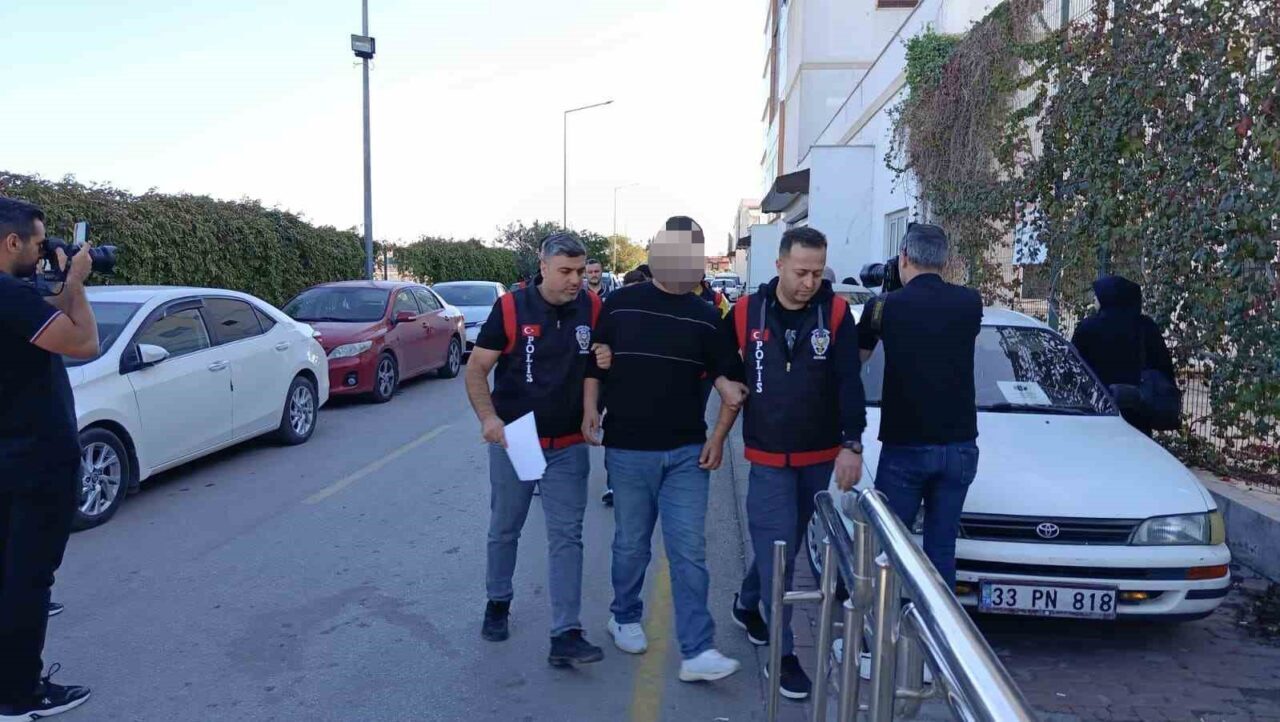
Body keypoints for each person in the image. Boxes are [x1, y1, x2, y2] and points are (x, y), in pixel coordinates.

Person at [583, 216, 748, 683]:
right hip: (628, 449)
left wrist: (718, 437)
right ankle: (624, 616)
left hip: (686, 454)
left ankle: (697, 650)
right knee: (632, 544)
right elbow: (594, 362)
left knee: (689, 552)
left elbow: (731, 383)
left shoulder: (706, 316)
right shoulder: (620, 304)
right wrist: (591, 409)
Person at [720, 227, 866, 700]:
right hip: (766, 455)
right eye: (801, 272)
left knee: (786, 543)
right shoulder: (746, 311)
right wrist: (724, 381)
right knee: (778, 550)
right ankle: (782, 656)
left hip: (817, 455)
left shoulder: (836, 313)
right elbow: (715, 358)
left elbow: (849, 382)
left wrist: (852, 443)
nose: (809, 282)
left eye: (817, 273)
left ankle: (748, 603)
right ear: (779, 265)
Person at [464, 232, 612, 668]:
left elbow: (594, 366)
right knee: (505, 527)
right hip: (518, 440)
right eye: (565, 271)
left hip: (568, 444)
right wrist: (489, 419)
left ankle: (566, 632)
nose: (575, 280)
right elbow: (477, 369)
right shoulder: (511, 308)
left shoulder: (592, 307)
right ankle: (498, 601)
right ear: (543, 266)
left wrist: (594, 400)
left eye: (580, 271)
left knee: (567, 536)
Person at [0, 197, 95, 720]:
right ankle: (18, 695)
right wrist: (76, 281)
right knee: (29, 580)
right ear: (12, 241)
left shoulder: (14, 300)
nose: (42, 253)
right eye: (38, 243)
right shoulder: (9, 295)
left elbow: (40, 321)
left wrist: (61, 284)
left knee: (8, 575)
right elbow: (84, 342)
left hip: (8, 454)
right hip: (36, 458)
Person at [857, 223, 981, 596]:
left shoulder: (883, 306)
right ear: (945, 260)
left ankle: (883, 627)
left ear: (903, 257)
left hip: (906, 443)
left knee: (889, 544)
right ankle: (937, 627)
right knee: (941, 548)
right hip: (959, 444)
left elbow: (857, 358)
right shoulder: (970, 302)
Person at [1071, 275, 1174, 436]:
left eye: (1098, 295)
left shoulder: (1088, 327)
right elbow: (1163, 367)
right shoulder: (1146, 327)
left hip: (1097, 408)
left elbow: (1074, 367)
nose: (1095, 299)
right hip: (1138, 410)